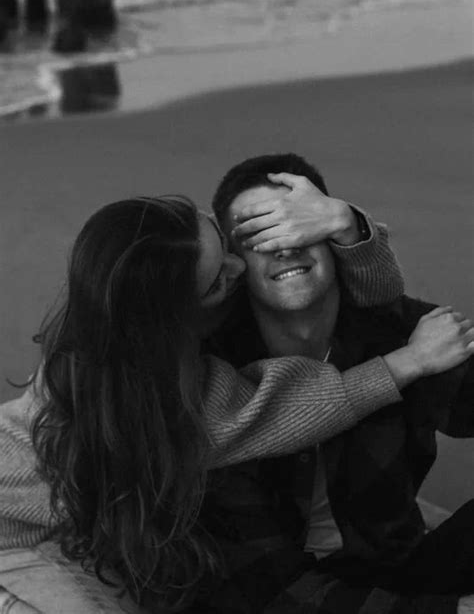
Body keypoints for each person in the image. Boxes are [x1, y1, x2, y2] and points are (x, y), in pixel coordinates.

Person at [0, 193, 471, 614]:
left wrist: (348, 225)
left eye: (223, 242)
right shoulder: (166, 403)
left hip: (75, 514)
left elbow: (373, 303)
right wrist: (408, 362)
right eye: (216, 281)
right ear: (176, 321)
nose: (239, 268)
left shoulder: (141, 302)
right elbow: (288, 407)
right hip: (15, 542)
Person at [195, 153, 474, 613]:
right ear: (234, 267)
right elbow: (269, 592)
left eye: (301, 228)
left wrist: (349, 222)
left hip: (394, 571)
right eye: (259, 236)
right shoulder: (218, 375)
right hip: (279, 595)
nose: (286, 247)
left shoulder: (395, 329)